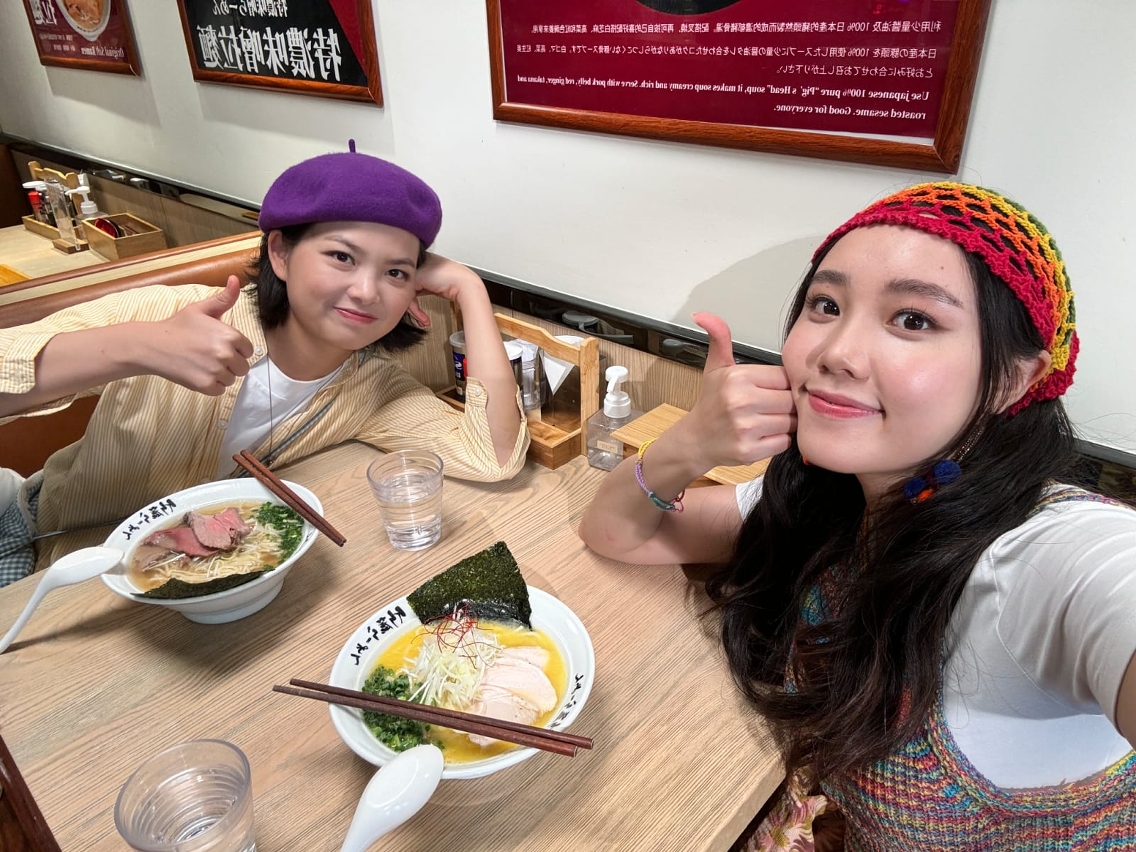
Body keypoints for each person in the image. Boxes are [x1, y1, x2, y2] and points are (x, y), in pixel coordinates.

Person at [579, 183, 1136, 849]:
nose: (836, 352)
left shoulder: (1048, 559)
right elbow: (613, 532)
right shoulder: (832, 497)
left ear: (1014, 380)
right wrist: (689, 445)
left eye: (914, 320)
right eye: (827, 305)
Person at [0, 142, 528, 586]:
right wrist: (140, 347)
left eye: (396, 272)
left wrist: (470, 290)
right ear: (280, 253)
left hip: (185, 580)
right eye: (342, 257)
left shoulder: (373, 387)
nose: (367, 291)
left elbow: (494, 458)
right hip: (45, 550)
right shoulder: (170, 314)